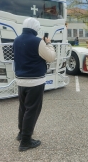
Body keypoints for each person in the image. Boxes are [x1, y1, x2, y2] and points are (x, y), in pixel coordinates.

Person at [13, 17, 56, 151]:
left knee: (23, 108)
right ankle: (26, 141)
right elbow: (51, 57)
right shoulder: (38, 41)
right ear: (35, 28)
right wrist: (49, 44)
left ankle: (21, 133)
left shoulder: (17, 39)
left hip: (21, 79)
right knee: (32, 109)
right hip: (35, 80)